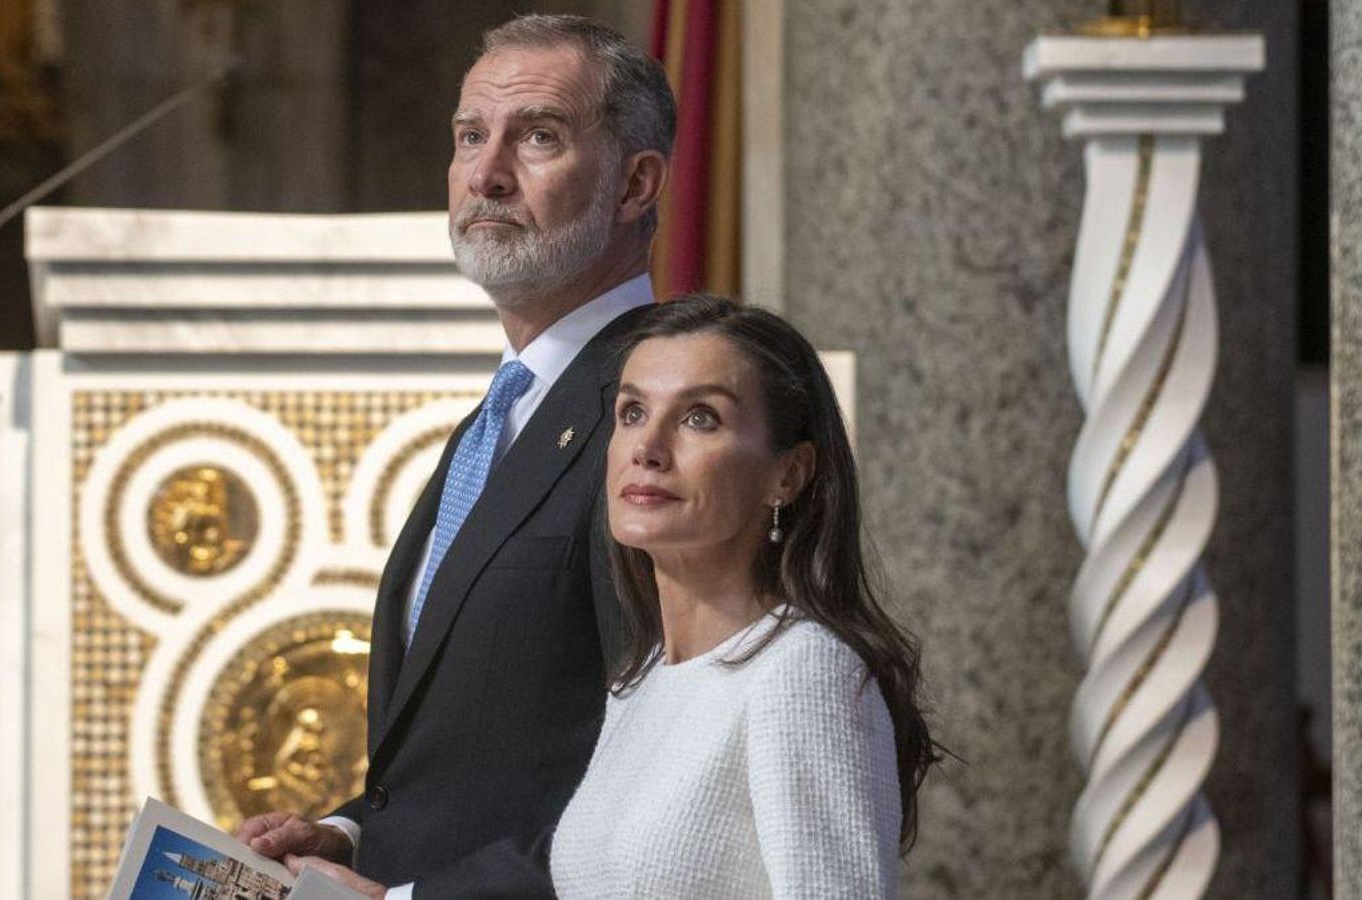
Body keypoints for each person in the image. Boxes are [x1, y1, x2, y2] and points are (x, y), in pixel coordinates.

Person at [234, 14, 674, 899]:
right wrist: (355, 833)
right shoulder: (506, 408)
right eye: (470, 137)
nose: (486, 174)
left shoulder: (657, 411)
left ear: (635, 184)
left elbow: (665, 775)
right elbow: (486, 747)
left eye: (537, 136)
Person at [548, 295, 939, 898]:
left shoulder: (803, 671)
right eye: (631, 412)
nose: (646, 447)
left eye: (700, 418)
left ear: (788, 474)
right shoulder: (641, 679)